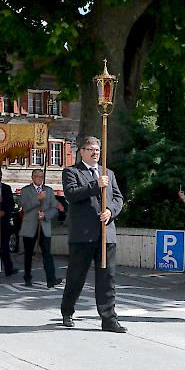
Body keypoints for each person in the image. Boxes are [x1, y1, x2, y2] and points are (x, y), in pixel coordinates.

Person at [60, 136, 126, 333]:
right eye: (90, 149)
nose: (95, 152)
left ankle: (108, 318)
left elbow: (118, 198)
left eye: (97, 149)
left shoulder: (109, 173)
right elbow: (71, 194)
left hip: (106, 233)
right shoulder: (72, 172)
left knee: (107, 277)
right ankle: (67, 309)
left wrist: (110, 212)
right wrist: (96, 185)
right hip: (83, 234)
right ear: (81, 152)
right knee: (76, 276)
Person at [20, 169, 62, 287]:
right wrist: (37, 198)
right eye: (37, 176)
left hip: (44, 226)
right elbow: (25, 207)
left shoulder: (48, 190)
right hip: (30, 226)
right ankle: (27, 278)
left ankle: (51, 279)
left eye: (41, 176)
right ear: (32, 177)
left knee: (47, 253)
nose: (39, 178)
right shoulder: (25, 190)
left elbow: (54, 208)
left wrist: (45, 215)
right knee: (28, 253)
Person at [0, 166, 19, 276]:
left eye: (0, 174)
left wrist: (5, 211)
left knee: (5, 245)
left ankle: (8, 268)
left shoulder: (6, 188)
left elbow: (11, 204)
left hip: (4, 221)